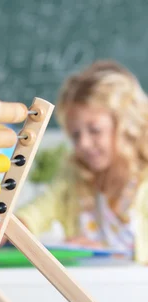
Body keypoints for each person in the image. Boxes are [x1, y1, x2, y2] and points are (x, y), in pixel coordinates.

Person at [16, 60, 148, 264]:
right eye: (76, 135)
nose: (83, 143)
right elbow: (38, 211)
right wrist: (13, 227)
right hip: (84, 290)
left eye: (95, 130)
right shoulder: (74, 176)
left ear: (126, 126)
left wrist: (106, 251)